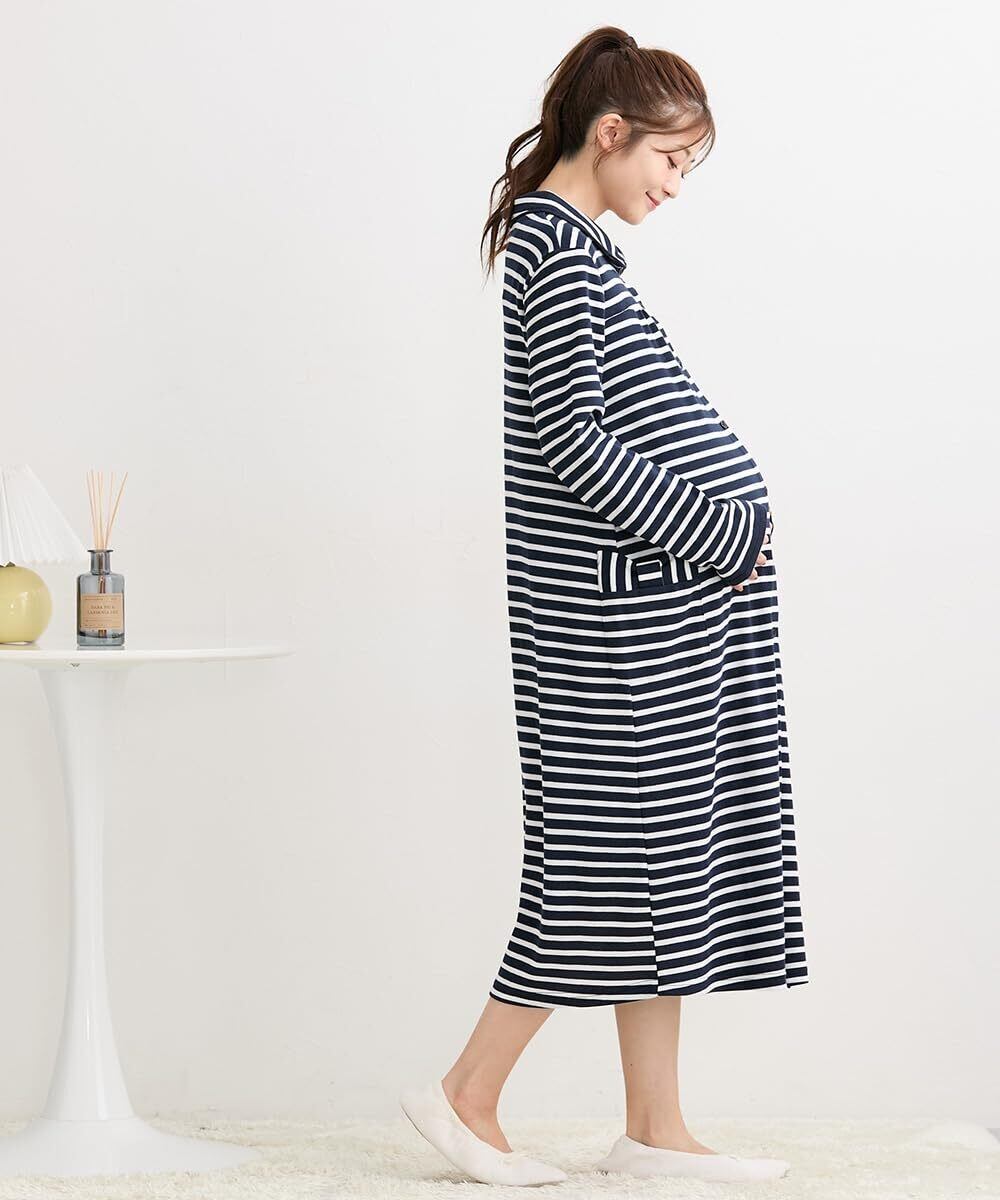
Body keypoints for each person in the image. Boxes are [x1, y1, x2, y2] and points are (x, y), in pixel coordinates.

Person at [400, 24, 807, 1186]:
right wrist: (721, 531)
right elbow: (575, 445)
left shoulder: (579, 251)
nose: (674, 186)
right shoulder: (559, 251)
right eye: (668, 160)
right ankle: (465, 1096)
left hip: (653, 611)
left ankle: (653, 1129)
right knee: (600, 864)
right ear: (610, 133)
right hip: (612, 624)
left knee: (657, 861)